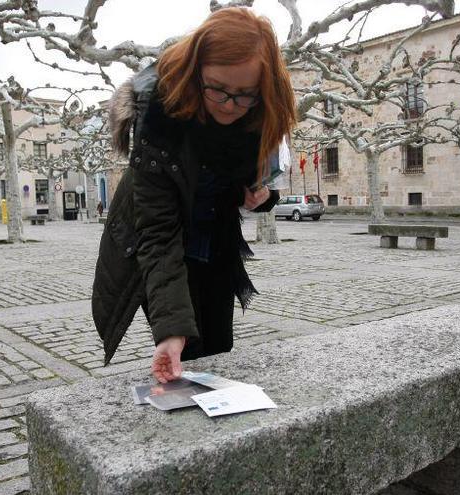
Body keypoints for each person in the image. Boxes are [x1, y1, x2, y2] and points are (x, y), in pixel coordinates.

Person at [92, 7, 296, 384]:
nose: (230, 105)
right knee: (187, 346)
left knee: (218, 347)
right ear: (196, 71)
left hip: (216, 242)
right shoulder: (158, 115)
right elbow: (156, 232)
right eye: (217, 89)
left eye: (244, 95)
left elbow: (260, 181)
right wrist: (170, 331)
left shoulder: (264, 110)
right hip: (161, 240)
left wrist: (263, 197)